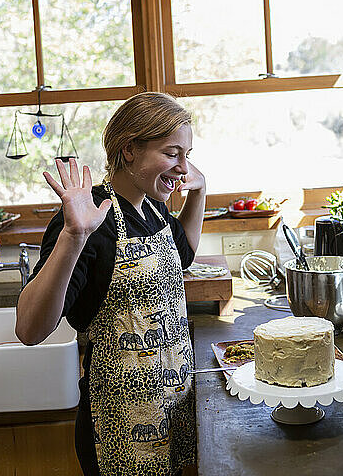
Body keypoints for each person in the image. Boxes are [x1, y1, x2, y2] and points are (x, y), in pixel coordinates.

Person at [16, 92, 206, 476]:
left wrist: (199, 192)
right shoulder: (87, 219)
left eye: (187, 154)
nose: (184, 168)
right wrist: (73, 235)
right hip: (119, 421)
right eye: (172, 154)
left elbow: (182, 255)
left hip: (170, 405)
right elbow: (30, 329)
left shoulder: (151, 206)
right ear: (130, 148)